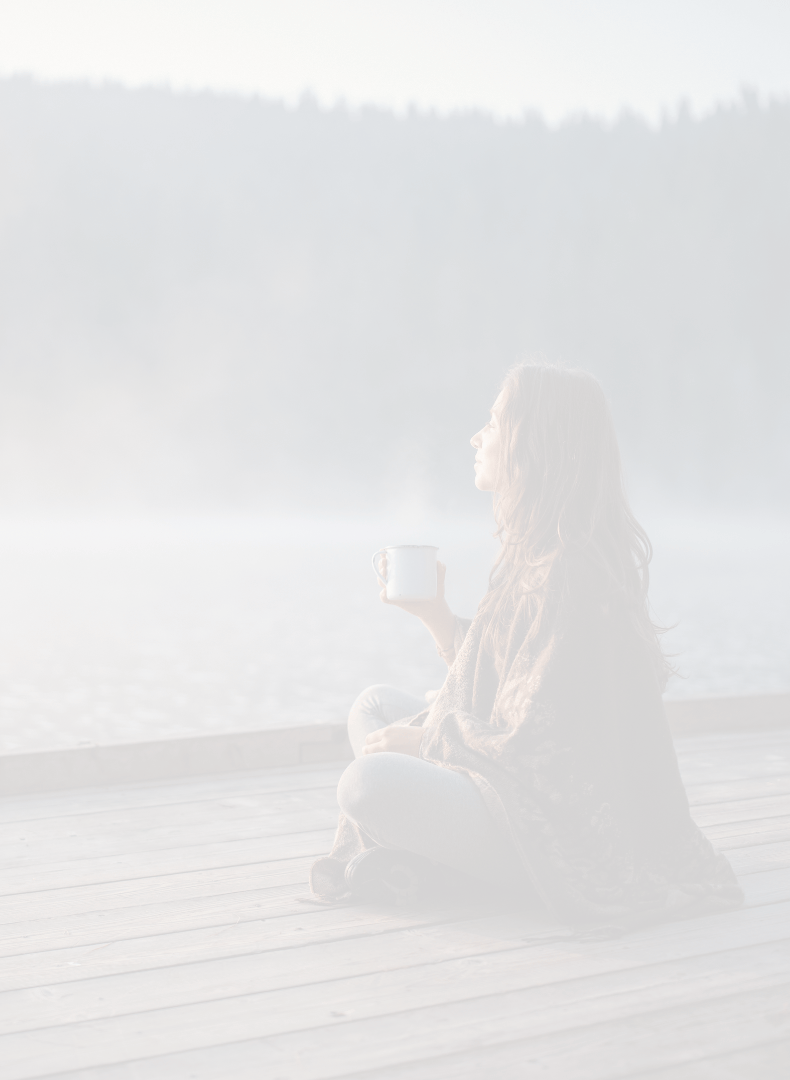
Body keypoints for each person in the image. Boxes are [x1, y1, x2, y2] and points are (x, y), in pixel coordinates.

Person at [310, 363, 742, 932]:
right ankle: (435, 856)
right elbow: (508, 678)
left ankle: (458, 868)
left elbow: (541, 746)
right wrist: (435, 615)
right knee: (373, 708)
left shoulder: (568, 572)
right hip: (515, 785)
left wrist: (429, 739)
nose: (477, 436)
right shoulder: (536, 550)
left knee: (367, 783)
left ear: (535, 444)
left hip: (560, 828)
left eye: (493, 422)